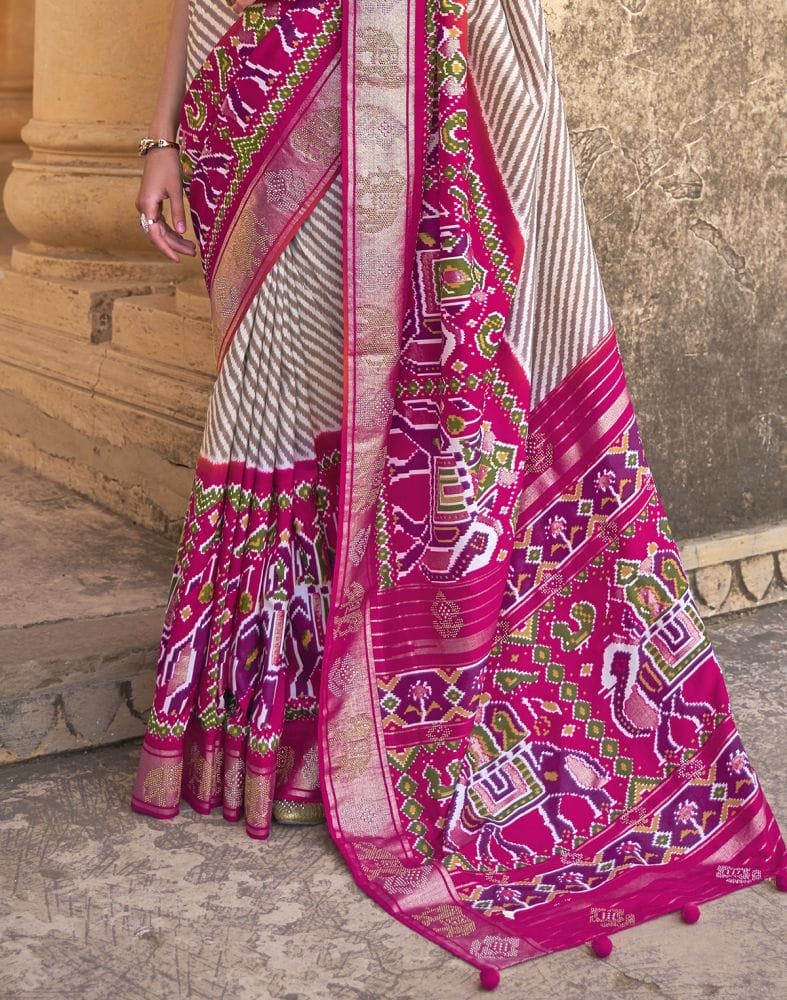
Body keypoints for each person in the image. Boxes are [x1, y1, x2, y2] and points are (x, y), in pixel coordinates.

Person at [130, 0, 786, 987]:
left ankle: (338, 742)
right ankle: (271, 737)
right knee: (265, 401)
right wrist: (160, 138)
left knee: (354, 411)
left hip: (392, 99)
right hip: (248, 86)